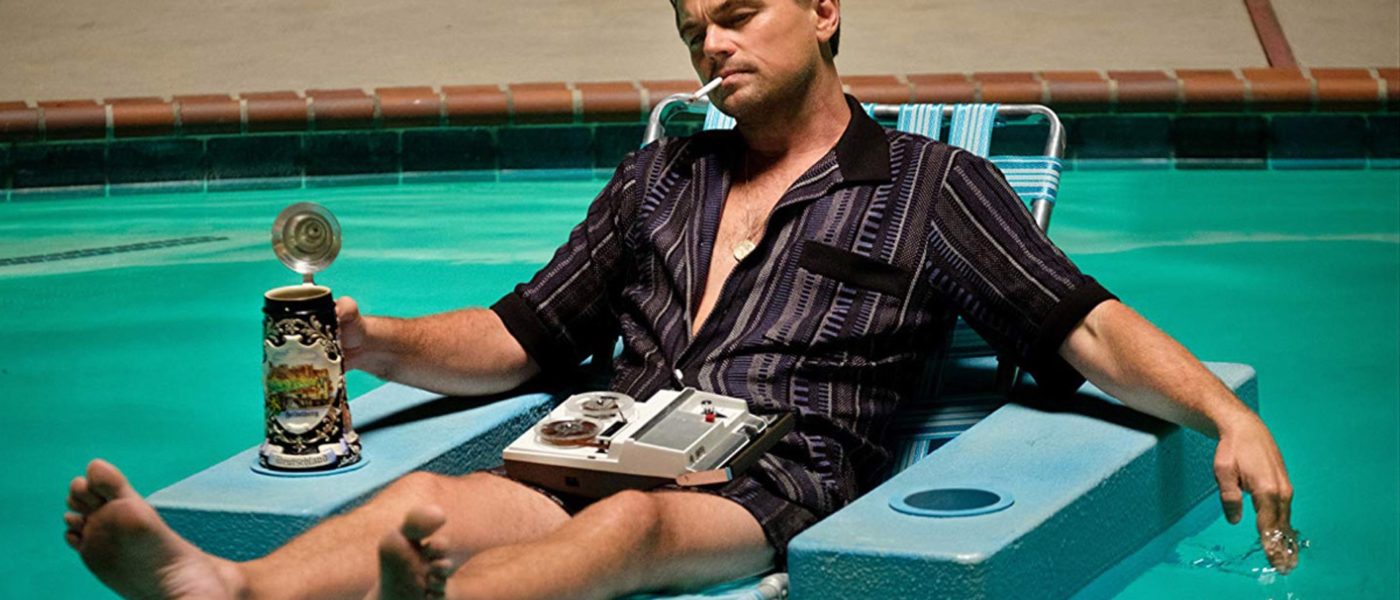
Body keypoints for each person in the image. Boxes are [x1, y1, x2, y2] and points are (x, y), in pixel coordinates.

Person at [62, 0, 1299, 598]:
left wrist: (1223, 415)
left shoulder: (932, 187)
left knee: (629, 537)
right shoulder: (657, 177)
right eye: (694, 27)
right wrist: (369, 338)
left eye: (739, 14)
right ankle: (226, 590)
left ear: (823, 12)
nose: (713, 46)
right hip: (595, 448)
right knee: (428, 499)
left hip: (769, 481)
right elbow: (520, 335)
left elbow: (1082, 323)